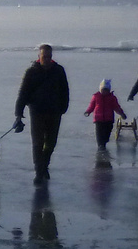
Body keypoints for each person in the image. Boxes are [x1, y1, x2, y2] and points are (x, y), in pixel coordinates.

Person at [13, 45, 70, 183]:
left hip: (55, 111)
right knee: (37, 143)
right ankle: (39, 172)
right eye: (44, 56)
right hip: (37, 111)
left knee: (51, 143)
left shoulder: (59, 71)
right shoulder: (32, 72)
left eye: (49, 56)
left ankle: (44, 165)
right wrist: (18, 114)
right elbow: (23, 93)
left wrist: (63, 108)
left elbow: (65, 91)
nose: (47, 59)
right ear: (39, 56)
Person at [84, 80, 125, 149]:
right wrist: (88, 111)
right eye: (103, 90)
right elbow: (91, 106)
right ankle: (101, 146)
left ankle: (104, 143)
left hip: (109, 120)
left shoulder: (112, 98)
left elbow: (116, 107)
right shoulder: (96, 96)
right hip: (98, 119)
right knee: (99, 137)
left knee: (106, 135)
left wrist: (121, 113)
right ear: (100, 89)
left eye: (106, 90)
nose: (104, 92)